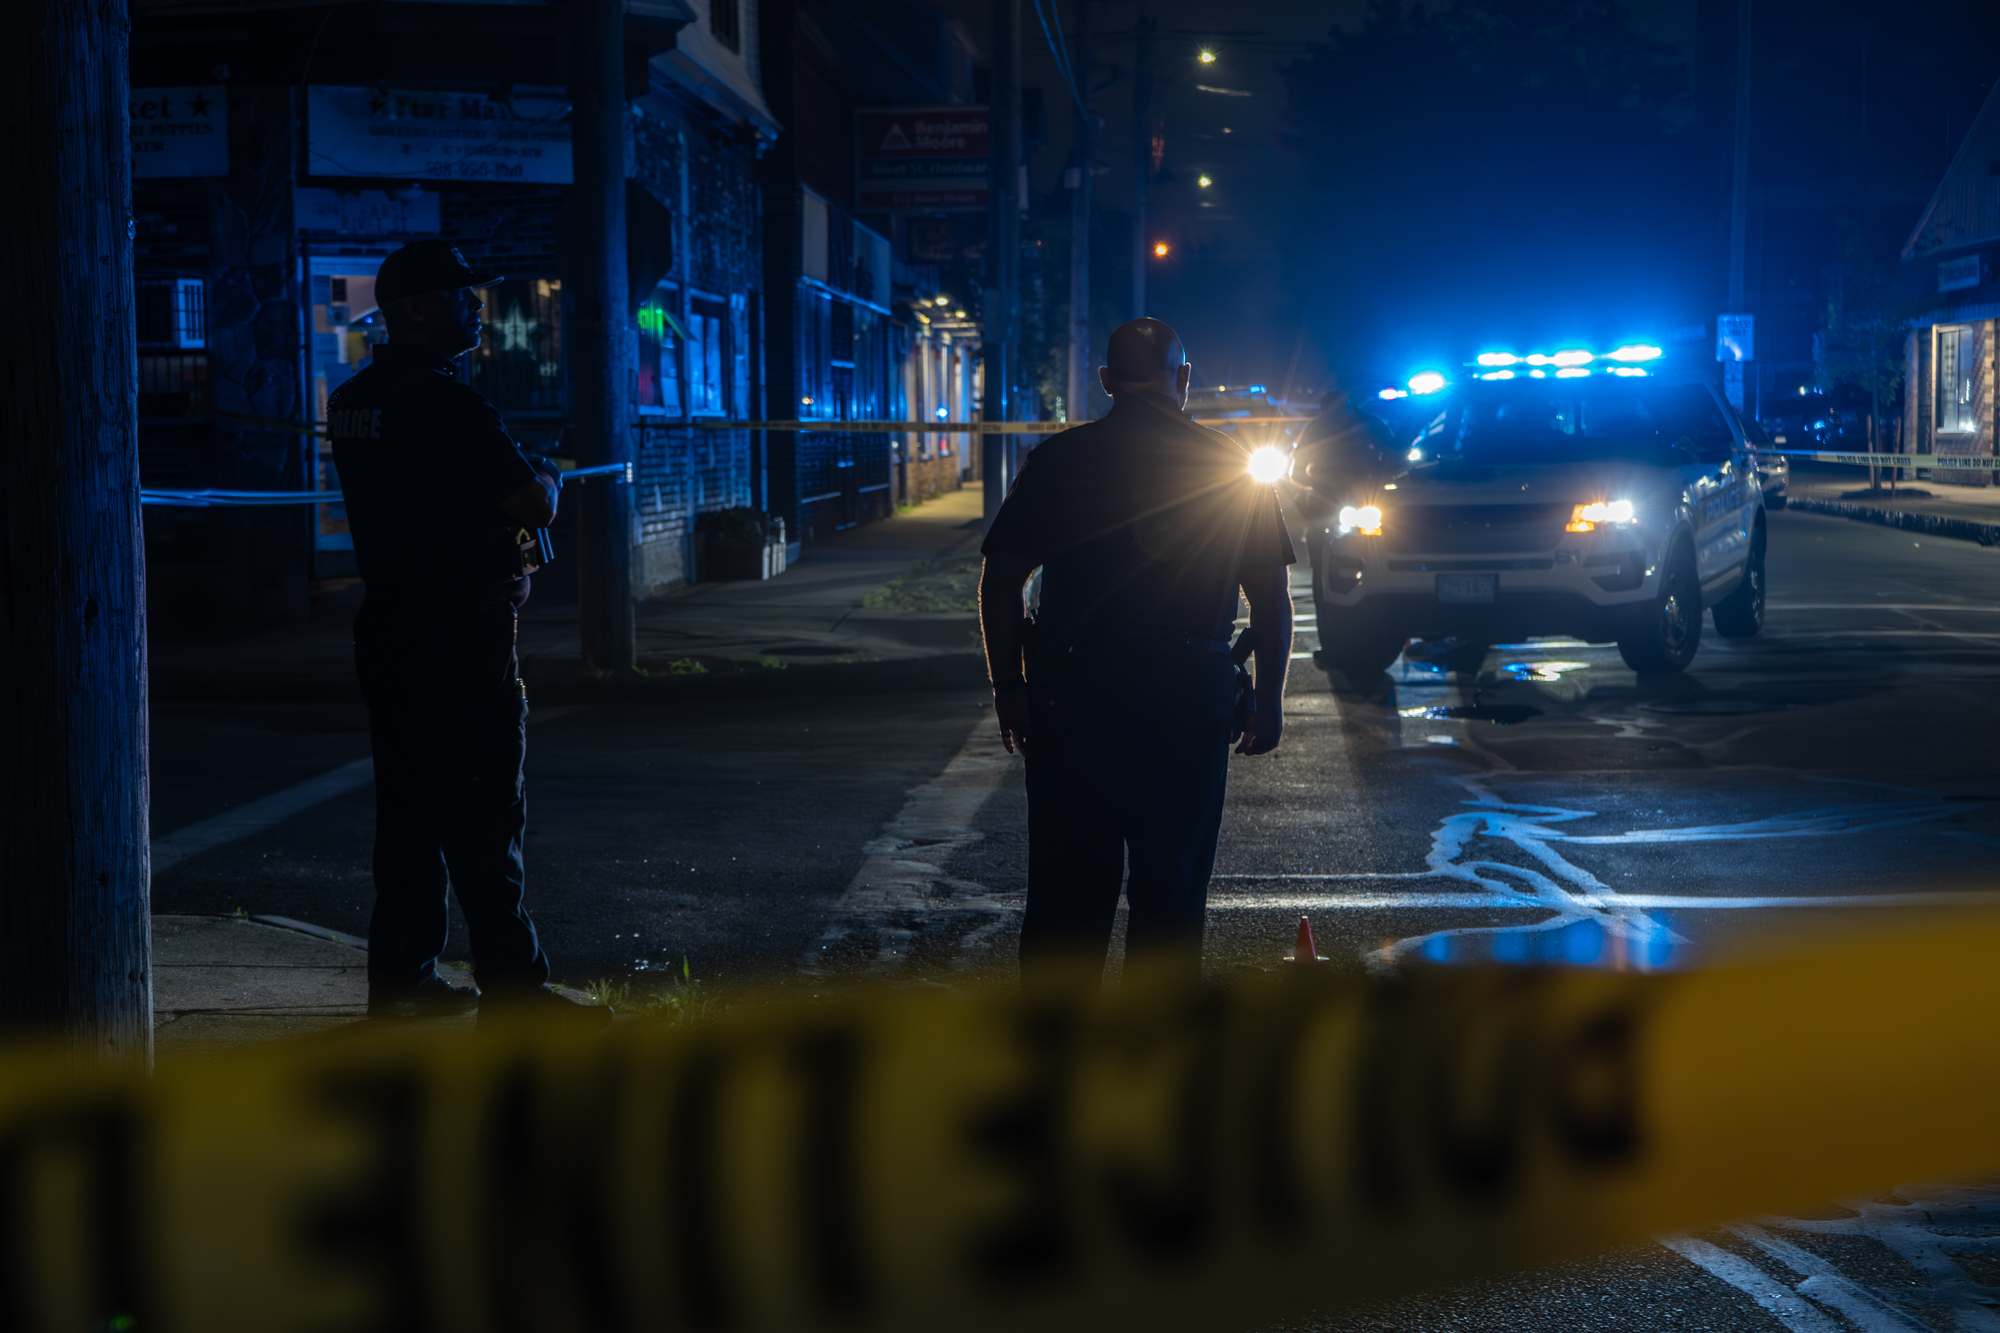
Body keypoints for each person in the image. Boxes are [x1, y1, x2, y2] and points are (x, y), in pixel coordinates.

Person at [326, 239, 606, 1025]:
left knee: (407, 818)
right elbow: (532, 502)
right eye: (461, 296)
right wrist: (546, 472)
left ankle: (404, 978)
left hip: (389, 630)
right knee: (485, 820)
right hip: (461, 636)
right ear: (416, 307)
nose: (477, 308)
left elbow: (424, 501)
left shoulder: (353, 401)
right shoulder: (448, 401)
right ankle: (515, 991)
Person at [978, 317, 1296, 980]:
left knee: (1067, 903)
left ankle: (1056, 1064)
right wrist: (1269, 700)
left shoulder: (1059, 462)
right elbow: (1271, 598)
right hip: (1188, 704)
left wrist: (1010, 687)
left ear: (1106, 381)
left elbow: (1002, 579)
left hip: (1075, 703)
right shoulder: (1231, 469)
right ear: (1184, 380)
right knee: (1171, 898)